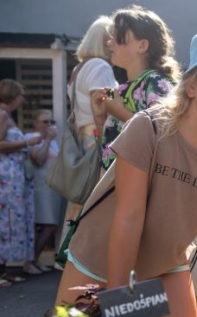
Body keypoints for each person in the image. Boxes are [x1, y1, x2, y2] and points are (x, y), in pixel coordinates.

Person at [55, 23, 197, 317]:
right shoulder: (149, 129)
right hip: (100, 260)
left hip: (164, 263)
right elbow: (128, 221)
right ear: (192, 86)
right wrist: (120, 309)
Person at [58, 16, 119, 258]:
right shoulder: (100, 67)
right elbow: (99, 104)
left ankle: (72, 254)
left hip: (83, 137)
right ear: (105, 40)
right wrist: (108, 140)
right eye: (113, 38)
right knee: (97, 200)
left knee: (81, 198)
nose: (117, 44)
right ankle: (88, 256)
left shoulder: (79, 68)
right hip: (97, 136)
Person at [92, 5, 179, 171]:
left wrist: (120, 112)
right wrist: (99, 118)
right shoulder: (124, 87)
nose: (110, 42)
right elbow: (109, 146)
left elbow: (162, 138)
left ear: (142, 46)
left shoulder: (157, 83)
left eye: (118, 36)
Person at [0, 79, 42, 286]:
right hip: (6, 176)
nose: (23, 98)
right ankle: (4, 270)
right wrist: (27, 142)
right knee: (6, 220)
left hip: (14, 175)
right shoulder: (2, 115)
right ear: (12, 96)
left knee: (13, 219)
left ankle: (8, 267)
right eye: (20, 95)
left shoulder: (7, 116)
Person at [23, 109, 65, 274]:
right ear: (36, 123)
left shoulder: (54, 141)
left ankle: (35, 259)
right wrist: (47, 139)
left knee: (50, 225)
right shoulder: (30, 138)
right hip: (39, 187)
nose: (49, 125)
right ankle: (30, 261)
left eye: (51, 122)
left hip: (52, 188)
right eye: (44, 122)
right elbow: (39, 160)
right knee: (45, 225)